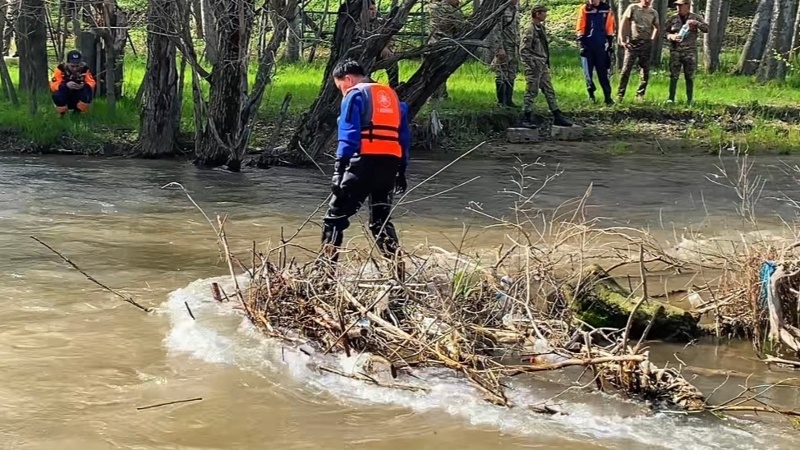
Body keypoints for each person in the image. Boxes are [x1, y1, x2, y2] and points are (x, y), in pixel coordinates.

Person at [321, 59, 411, 268]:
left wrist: (338, 171)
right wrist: (401, 171)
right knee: (380, 223)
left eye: (340, 86)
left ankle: (325, 276)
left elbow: (349, 135)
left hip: (362, 164)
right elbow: (404, 138)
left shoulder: (355, 95)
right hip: (389, 167)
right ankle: (398, 275)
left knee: (334, 219)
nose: (341, 91)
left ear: (348, 79)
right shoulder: (393, 97)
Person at [520, 4, 572, 128]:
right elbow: (523, 50)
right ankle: (526, 116)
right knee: (531, 91)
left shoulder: (541, 28)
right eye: (544, 12)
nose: (546, 15)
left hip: (542, 65)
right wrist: (531, 66)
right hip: (535, 66)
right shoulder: (529, 29)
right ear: (537, 14)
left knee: (549, 90)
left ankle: (557, 115)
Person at [664, 0, 708, 105]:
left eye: (681, 5)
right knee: (674, 75)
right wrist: (671, 36)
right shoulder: (672, 18)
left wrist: (697, 24)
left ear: (687, 6)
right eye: (677, 6)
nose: (678, 8)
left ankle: (690, 99)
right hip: (675, 51)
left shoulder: (695, 17)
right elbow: (663, 31)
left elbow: (706, 29)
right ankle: (671, 98)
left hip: (690, 52)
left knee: (689, 76)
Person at [617, 0, 660, 102]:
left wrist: (652, 39)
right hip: (633, 43)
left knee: (645, 70)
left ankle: (640, 94)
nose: (647, 1)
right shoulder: (633, 8)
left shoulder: (653, 12)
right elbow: (624, 22)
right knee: (626, 69)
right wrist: (623, 40)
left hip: (646, 43)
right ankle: (620, 94)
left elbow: (657, 27)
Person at [575, 0, 616, 105]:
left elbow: (609, 26)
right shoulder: (585, 9)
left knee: (603, 72)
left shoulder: (606, 9)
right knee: (588, 72)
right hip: (587, 46)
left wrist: (610, 44)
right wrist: (581, 44)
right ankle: (591, 95)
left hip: (601, 46)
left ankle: (608, 97)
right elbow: (580, 26)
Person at [427, 0, 465, 101]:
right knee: (442, 70)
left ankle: (435, 94)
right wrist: (458, 10)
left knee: (433, 69)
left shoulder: (433, 6)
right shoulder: (450, 10)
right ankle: (438, 96)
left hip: (432, 43)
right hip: (445, 44)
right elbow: (461, 27)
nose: (459, 1)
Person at [362, 0, 400, 89]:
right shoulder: (357, 24)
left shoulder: (380, 22)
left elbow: (388, 37)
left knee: (391, 60)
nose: (374, 12)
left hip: (378, 53)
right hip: (362, 55)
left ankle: (394, 88)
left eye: (375, 9)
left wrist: (385, 47)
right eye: (371, 9)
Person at [50, 50, 96, 115]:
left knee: (87, 91)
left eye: (77, 66)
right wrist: (66, 85)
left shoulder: (85, 69)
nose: (75, 69)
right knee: (57, 95)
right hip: (65, 95)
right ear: (67, 63)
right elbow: (53, 86)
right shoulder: (60, 69)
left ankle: (79, 113)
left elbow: (92, 83)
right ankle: (62, 114)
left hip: (78, 95)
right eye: (72, 66)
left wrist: (83, 85)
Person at [491, 0, 519, 108]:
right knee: (501, 73)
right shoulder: (502, 10)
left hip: (513, 47)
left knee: (511, 74)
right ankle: (501, 101)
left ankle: (509, 101)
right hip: (504, 47)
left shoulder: (515, 10)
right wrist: (499, 48)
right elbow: (497, 30)